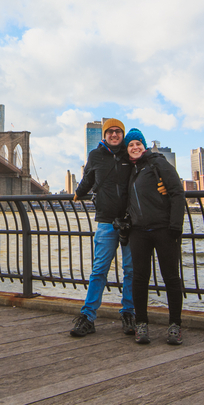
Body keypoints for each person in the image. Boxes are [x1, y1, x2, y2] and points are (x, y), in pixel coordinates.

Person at [70, 118, 136, 337]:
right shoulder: (95, 156)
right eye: (111, 132)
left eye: (118, 131)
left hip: (131, 222)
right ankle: (88, 317)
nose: (114, 135)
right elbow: (88, 179)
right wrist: (78, 193)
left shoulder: (131, 154)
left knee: (131, 271)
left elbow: (150, 171)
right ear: (104, 135)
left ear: (123, 135)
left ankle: (129, 314)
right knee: (99, 270)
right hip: (106, 222)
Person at [123, 128, 186, 345]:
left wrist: (175, 225)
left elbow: (177, 192)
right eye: (131, 145)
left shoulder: (157, 163)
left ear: (144, 145)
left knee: (171, 277)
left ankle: (175, 326)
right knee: (140, 279)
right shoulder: (130, 170)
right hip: (139, 232)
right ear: (127, 149)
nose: (135, 147)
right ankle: (141, 325)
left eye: (138, 143)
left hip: (163, 229)